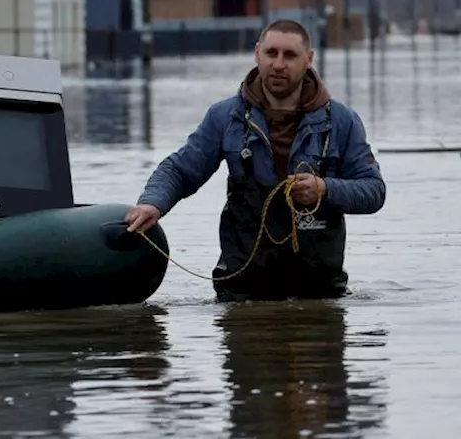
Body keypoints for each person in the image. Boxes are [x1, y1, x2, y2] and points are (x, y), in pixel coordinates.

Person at [125, 19, 386, 302]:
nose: (278, 64)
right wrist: (153, 203)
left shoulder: (341, 121)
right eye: (271, 53)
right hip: (242, 290)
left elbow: (373, 191)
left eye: (290, 55)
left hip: (319, 294)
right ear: (257, 53)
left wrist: (325, 189)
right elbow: (179, 170)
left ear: (308, 59)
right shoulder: (225, 116)